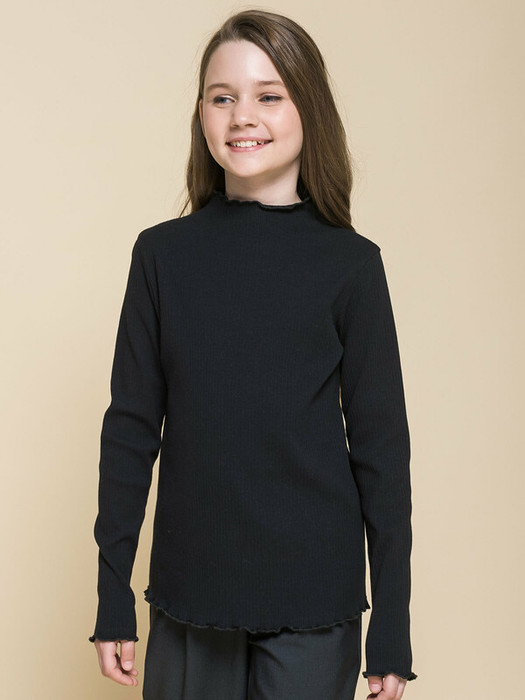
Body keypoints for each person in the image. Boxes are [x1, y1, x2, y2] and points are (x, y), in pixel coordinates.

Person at [89, 9, 417, 699]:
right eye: (222, 97)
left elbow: (381, 453)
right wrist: (112, 593)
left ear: (308, 109)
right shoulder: (162, 256)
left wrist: (391, 620)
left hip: (314, 602)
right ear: (201, 115)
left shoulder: (351, 266)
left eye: (269, 95)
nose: (243, 116)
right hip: (188, 595)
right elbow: (130, 431)